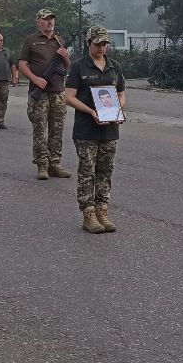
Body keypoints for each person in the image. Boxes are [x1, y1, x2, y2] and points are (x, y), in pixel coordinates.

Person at [64, 26, 126, 234]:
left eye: (105, 43)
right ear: (88, 43)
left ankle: (102, 210)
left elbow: (121, 93)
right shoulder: (78, 67)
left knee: (105, 171)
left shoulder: (114, 66)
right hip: (86, 129)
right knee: (88, 171)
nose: (102, 47)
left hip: (109, 128)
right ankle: (88, 213)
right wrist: (91, 111)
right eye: (98, 43)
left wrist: (117, 110)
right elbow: (69, 96)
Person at [18, 9, 73, 180]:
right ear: (38, 22)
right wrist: (35, 79)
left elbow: (67, 67)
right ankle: (42, 165)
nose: (50, 22)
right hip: (39, 93)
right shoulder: (31, 40)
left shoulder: (59, 40)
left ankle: (55, 164)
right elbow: (22, 64)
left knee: (57, 130)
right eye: (46, 19)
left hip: (58, 92)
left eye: (51, 19)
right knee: (40, 130)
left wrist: (65, 57)